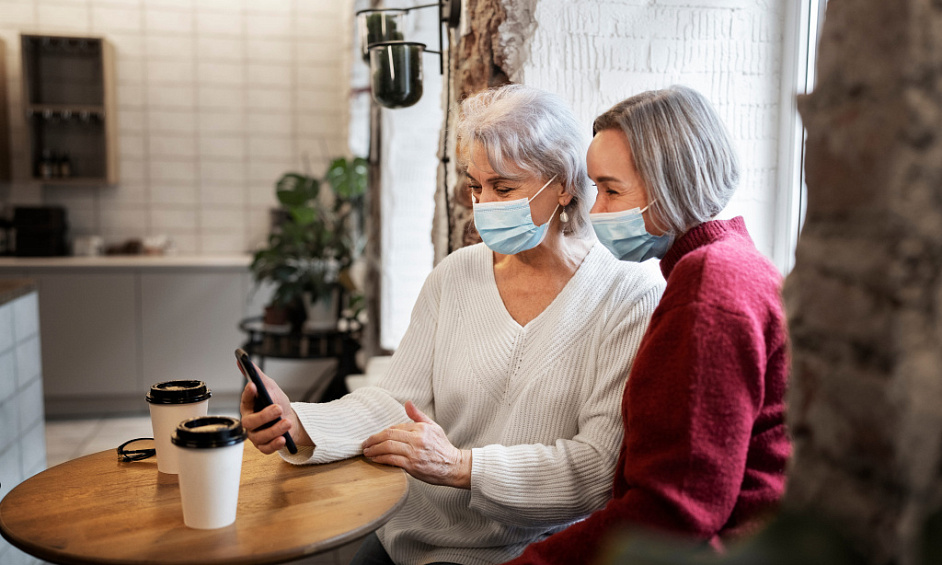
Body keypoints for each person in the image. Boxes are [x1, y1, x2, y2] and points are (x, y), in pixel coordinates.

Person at [240, 84, 664, 565]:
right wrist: (299, 420)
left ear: (564, 185)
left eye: (503, 188)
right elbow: (395, 403)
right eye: (475, 186)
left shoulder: (628, 295)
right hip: (409, 533)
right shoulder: (455, 274)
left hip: (525, 552)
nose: (483, 205)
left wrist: (464, 468)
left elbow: (596, 467)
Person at [506, 85, 791, 565]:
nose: (596, 212)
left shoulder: (709, 289)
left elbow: (673, 510)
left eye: (612, 190)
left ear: (673, 184)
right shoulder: (730, 262)